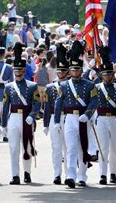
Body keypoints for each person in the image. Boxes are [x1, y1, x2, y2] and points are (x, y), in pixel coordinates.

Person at [54, 40, 98, 188]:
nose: (75, 72)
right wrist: (55, 122)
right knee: (71, 148)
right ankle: (71, 176)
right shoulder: (64, 85)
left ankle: (82, 176)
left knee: (82, 148)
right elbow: (59, 103)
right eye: (72, 70)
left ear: (81, 69)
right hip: (70, 119)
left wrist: (88, 114)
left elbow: (94, 101)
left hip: (83, 118)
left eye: (77, 69)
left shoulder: (89, 85)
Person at [1, 43, 41, 185]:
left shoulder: (32, 85)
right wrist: (3, 124)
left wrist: (32, 115)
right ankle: (15, 175)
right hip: (14, 118)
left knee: (27, 147)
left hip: (26, 118)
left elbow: (37, 103)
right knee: (13, 148)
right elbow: (5, 106)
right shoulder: (8, 87)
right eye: (15, 70)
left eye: (20, 70)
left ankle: (27, 173)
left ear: (24, 70)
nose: (17, 72)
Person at [95, 46, 116, 185]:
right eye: (105, 74)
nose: (107, 76)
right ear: (101, 75)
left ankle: (113, 173)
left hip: (115, 120)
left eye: (110, 74)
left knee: (114, 148)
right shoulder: (96, 88)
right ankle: (102, 174)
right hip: (101, 119)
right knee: (103, 147)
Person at [43, 44, 70, 184]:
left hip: (68, 117)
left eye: (63, 71)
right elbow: (47, 107)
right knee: (56, 147)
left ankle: (69, 175)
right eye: (59, 72)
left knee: (68, 147)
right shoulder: (50, 87)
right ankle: (57, 174)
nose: (60, 74)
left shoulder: (71, 85)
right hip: (54, 117)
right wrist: (46, 124)